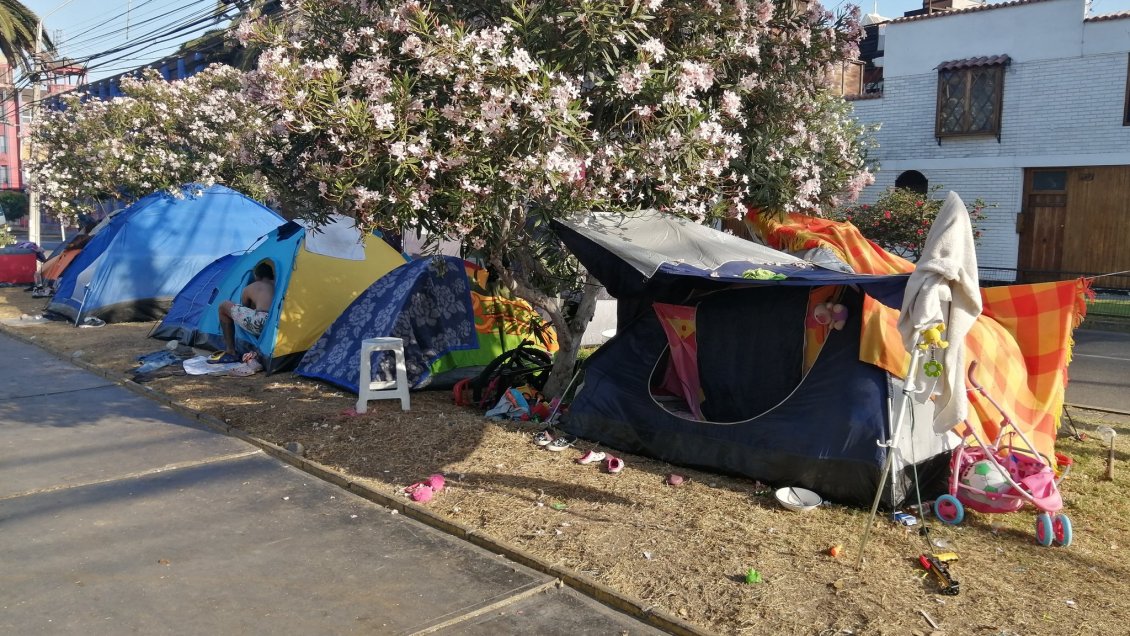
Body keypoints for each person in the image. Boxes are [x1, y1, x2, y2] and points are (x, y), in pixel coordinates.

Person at [210, 260, 275, 364]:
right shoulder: (279, 285)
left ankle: (230, 351)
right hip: (275, 323)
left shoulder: (251, 287)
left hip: (259, 322)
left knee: (223, 306)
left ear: (256, 276)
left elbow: (244, 308)